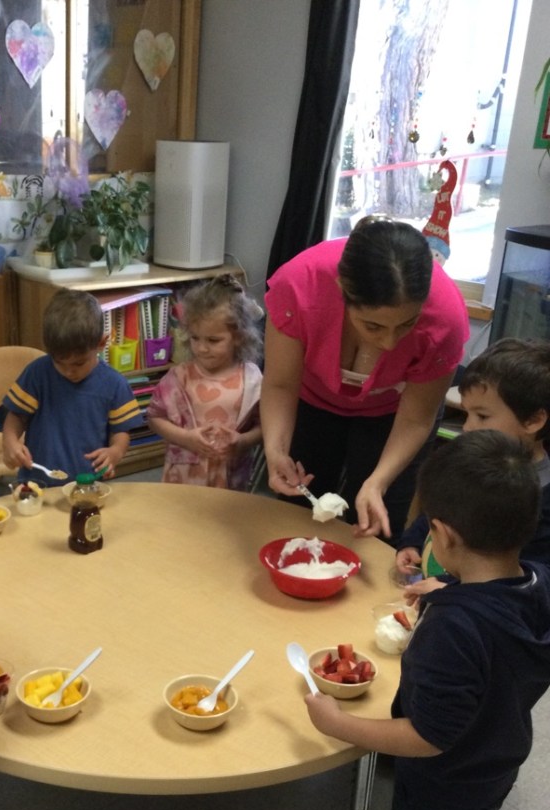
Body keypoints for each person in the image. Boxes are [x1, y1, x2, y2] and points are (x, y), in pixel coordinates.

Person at [305, 430, 550, 810]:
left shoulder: (454, 630)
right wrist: (452, 585)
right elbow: (496, 606)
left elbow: (428, 735)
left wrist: (340, 725)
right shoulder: (537, 586)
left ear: (444, 534)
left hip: (443, 776)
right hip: (498, 757)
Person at [261, 215, 469, 544]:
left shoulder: (446, 318)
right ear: (341, 290)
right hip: (312, 400)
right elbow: (280, 384)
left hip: (394, 416)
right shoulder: (300, 286)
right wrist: (275, 451)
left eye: (407, 324)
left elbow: (416, 419)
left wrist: (378, 482)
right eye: (373, 326)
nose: (389, 343)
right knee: (299, 508)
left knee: (378, 520)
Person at [397, 337, 550, 589]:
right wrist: (411, 543)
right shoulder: (467, 464)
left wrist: (455, 591)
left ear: (533, 421)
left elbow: (532, 582)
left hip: (478, 607)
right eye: (467, 413)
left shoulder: (542, 499)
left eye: (482, 416)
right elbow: (437, 512)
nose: (467, 427)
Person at [0, 288, 144, 485]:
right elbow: (16, 416)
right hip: (38, 481)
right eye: (59, 362)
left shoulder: (115, 384)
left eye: (78, 363)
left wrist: (115, 451)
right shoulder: (37, 373)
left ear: (101, 343)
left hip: (89, 483)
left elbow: (121, 432)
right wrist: (9, 441)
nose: (69, 371)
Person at [147, 274, 263, 490]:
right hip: (185, 476)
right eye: (195, 338)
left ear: (239, 337)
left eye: (213, 340)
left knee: (226, 512)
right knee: (183, 511)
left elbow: (264, 425)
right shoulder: (179, 377)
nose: (201, 348)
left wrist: (243, 441)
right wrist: (186, 438)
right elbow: (155, 417)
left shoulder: (252, 379)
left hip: (231, 476)